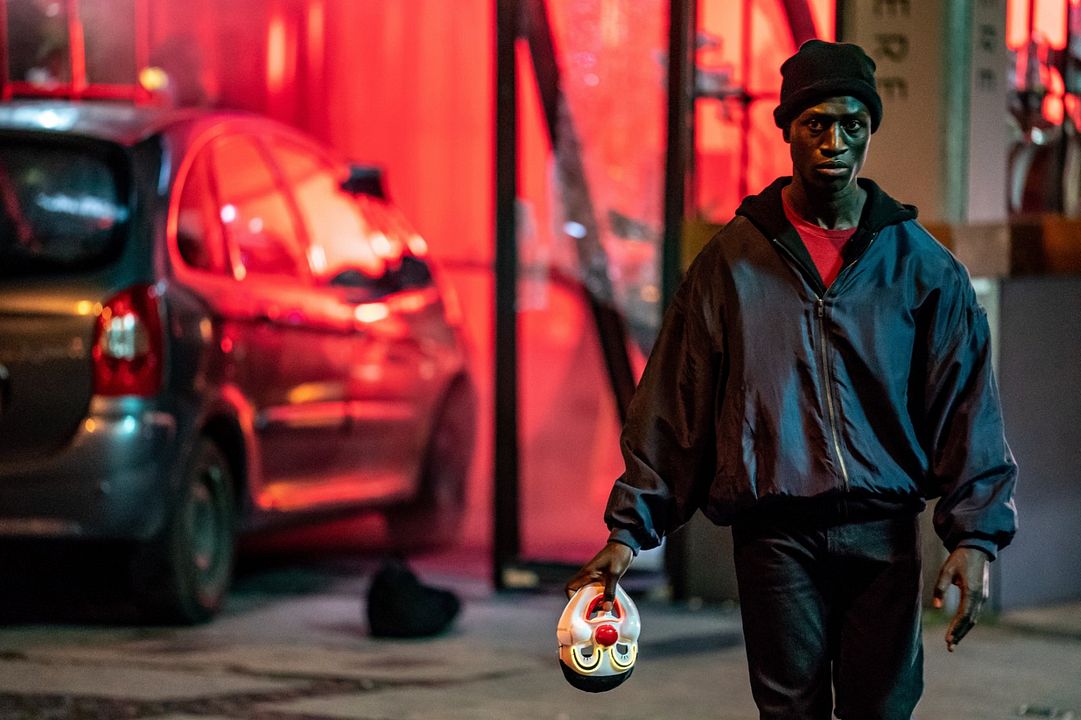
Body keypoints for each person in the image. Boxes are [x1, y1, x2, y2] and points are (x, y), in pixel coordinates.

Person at [565, 39, 1018, 719]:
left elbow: (965, 408)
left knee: (881, 710)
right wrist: (628, 533)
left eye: (851, 125)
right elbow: (675, 407)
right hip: (775, 539)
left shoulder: (921, 270)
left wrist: (973, 537)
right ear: (786, 130)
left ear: (868, 130)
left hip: (882, 532)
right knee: (788, 714)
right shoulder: (731, 264)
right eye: (815, 124)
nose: (834, 142)